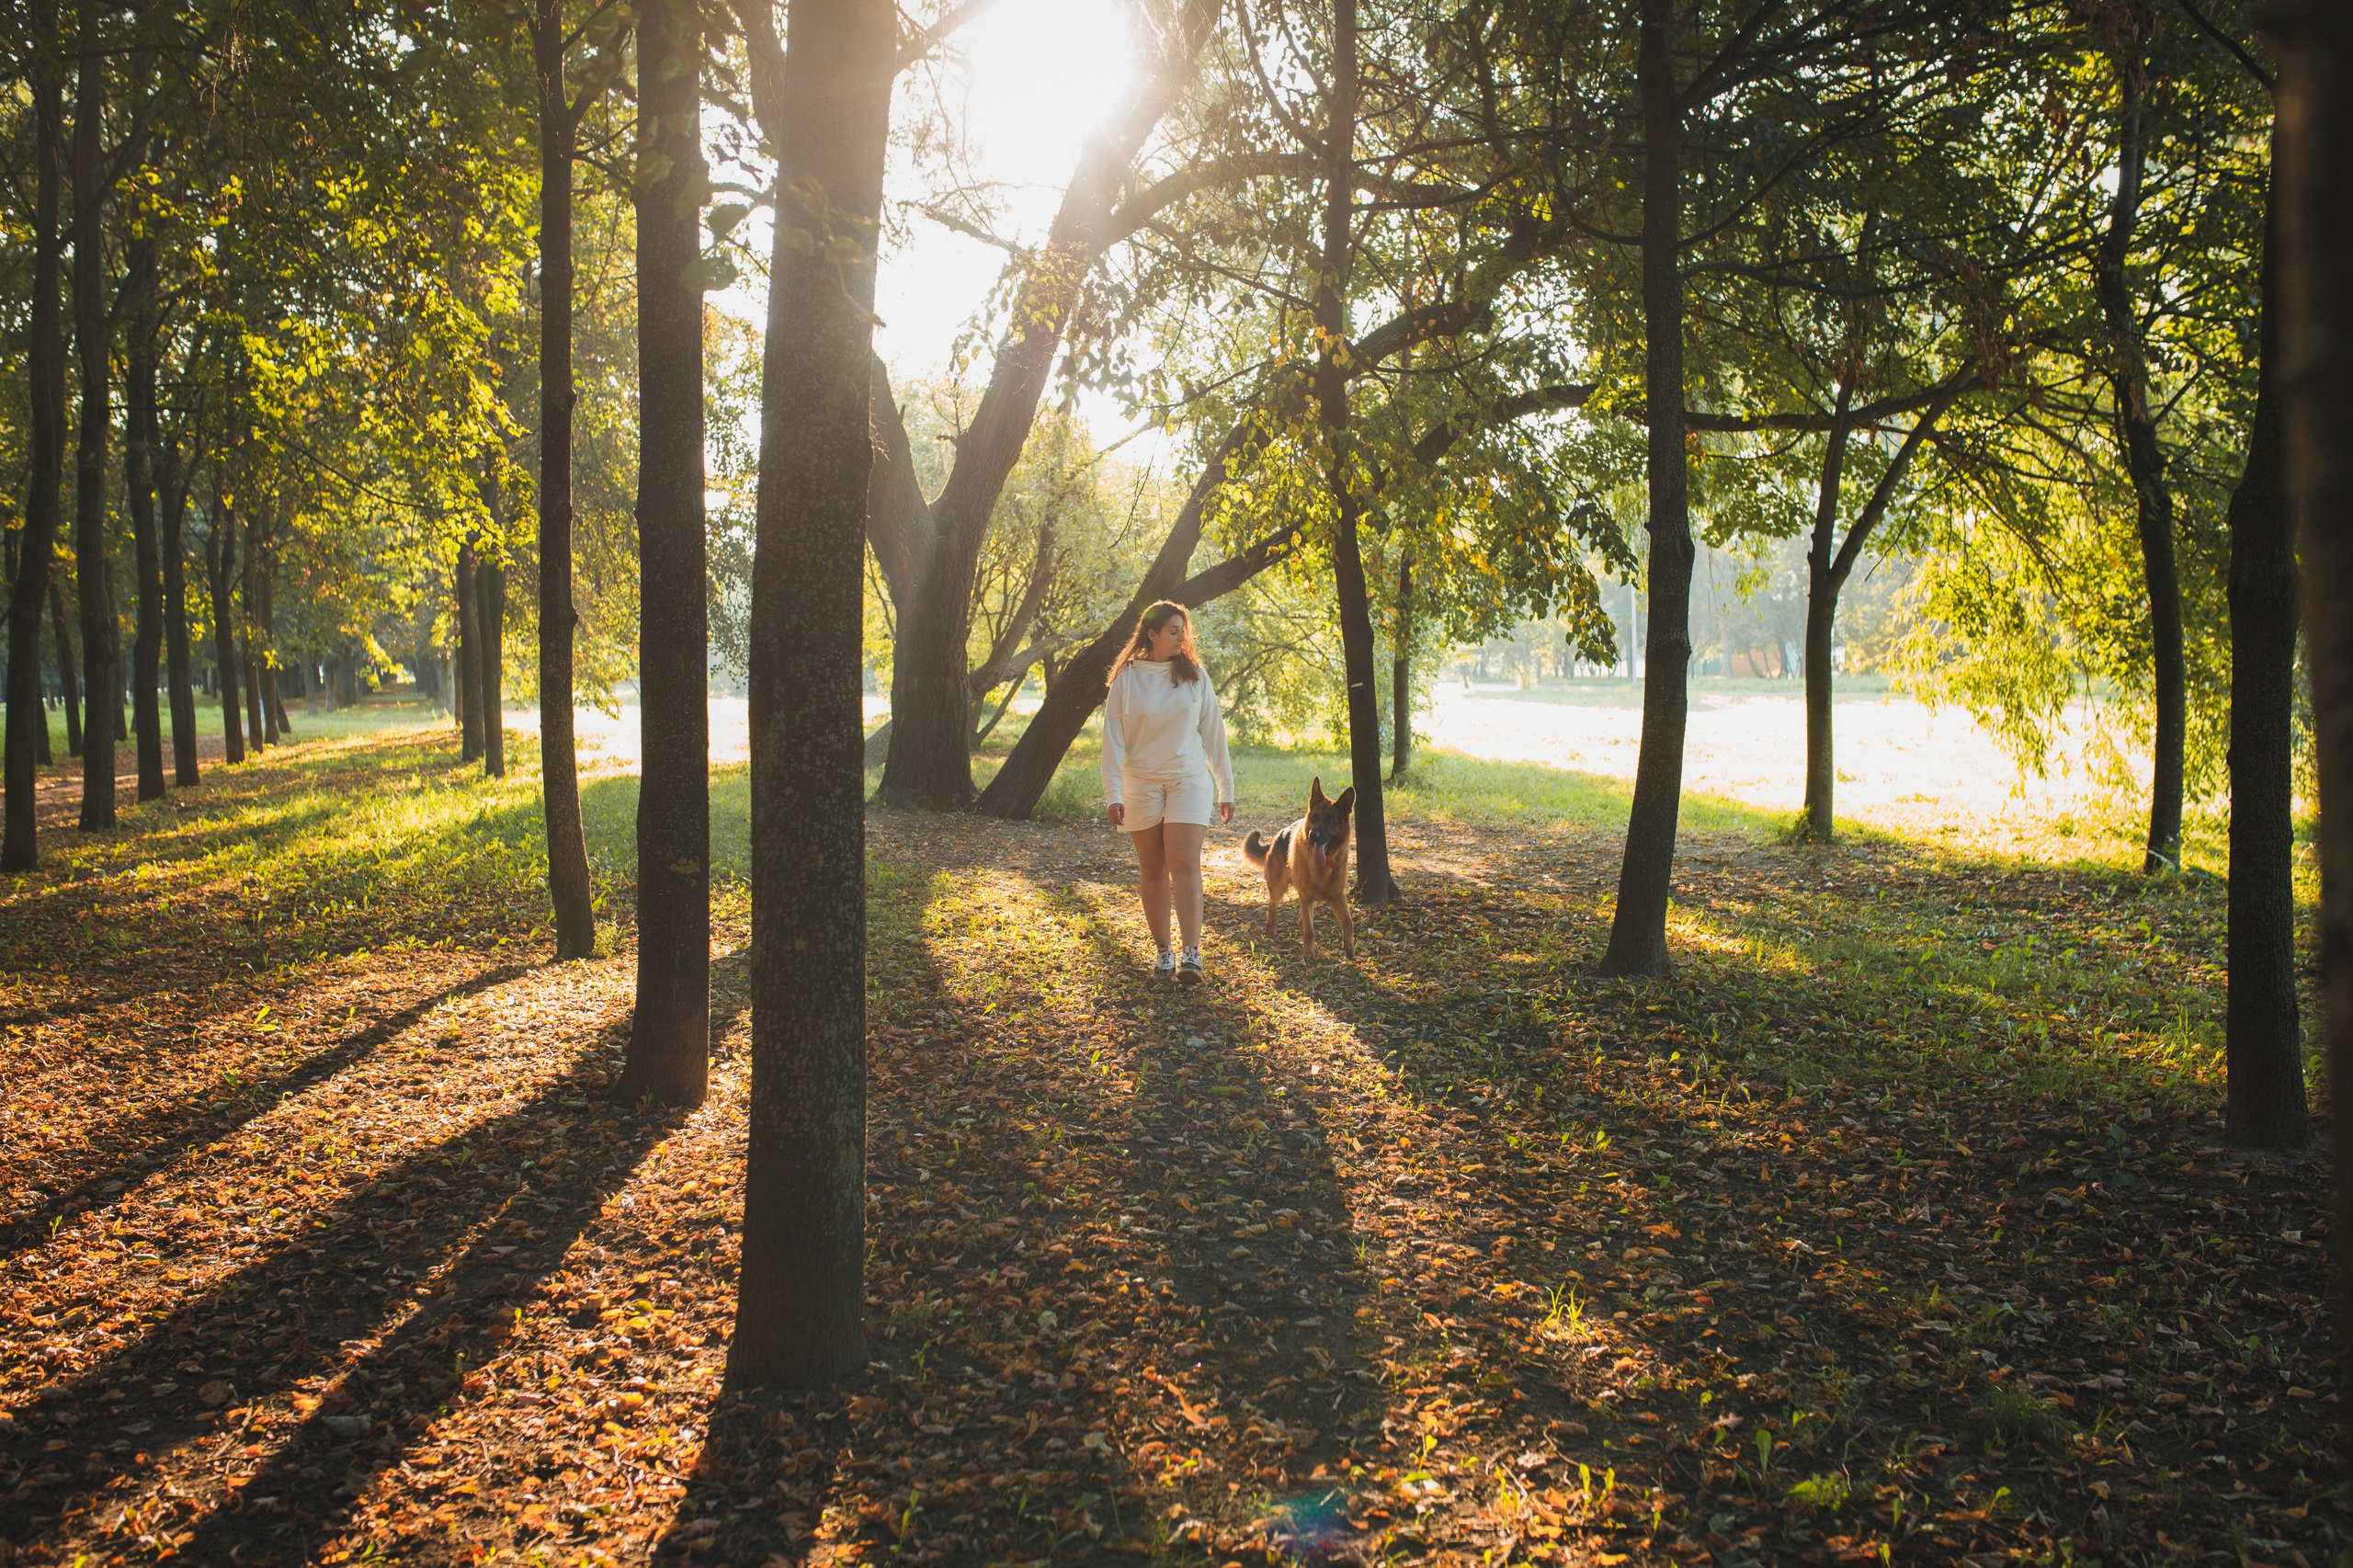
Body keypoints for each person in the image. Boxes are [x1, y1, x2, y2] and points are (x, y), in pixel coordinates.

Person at [1102, 600, 1233, 986]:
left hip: (1188, 779)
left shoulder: (1195, 678)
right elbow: (1112, 740)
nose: (1181, 637)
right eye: (1173, 630)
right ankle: (1164, 953)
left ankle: (1192, 954)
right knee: (1153, 867)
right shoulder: (1126, 680)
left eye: (1183, 631)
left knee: (1184, 862)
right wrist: (1113, 792)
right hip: (1140, 783)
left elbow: (1214, 734)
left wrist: (1225, 786)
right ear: (1152, 634)